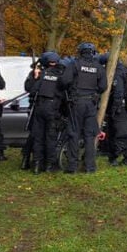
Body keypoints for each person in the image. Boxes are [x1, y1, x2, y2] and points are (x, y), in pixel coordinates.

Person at [24, 51, 71, 174]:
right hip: (53, 109)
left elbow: (30, 89)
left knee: (38, 138)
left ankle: (37, 165)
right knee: (51, 138)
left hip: (39, 108)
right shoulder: (61, 75)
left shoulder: (40, 73)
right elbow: (66, 93)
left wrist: (35, 77)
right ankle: (50, 165)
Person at [67, 42, 106, 173]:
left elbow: (64, 81)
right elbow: (103, 86)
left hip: (77, 103)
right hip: (90, 104)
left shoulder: (75, 64)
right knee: (89, 136)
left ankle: (72, 166)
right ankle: (90, 167)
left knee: (74, 134)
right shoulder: (99, 67)